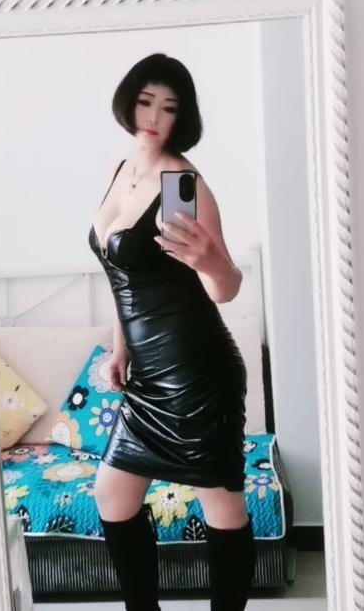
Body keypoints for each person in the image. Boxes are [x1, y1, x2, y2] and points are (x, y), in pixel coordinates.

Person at [88, 53, 256, 611]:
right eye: (145, 102)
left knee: (222, 507)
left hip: (196, 371)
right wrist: (120, 349)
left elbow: (225, 288)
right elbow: (123, 276)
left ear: (183, 116)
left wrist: (212, 261)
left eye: (169, 107)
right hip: (148, 377)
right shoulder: (119, 170)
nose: (154, 117)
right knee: (112, 495)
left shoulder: (184, 184)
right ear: (128, 103)